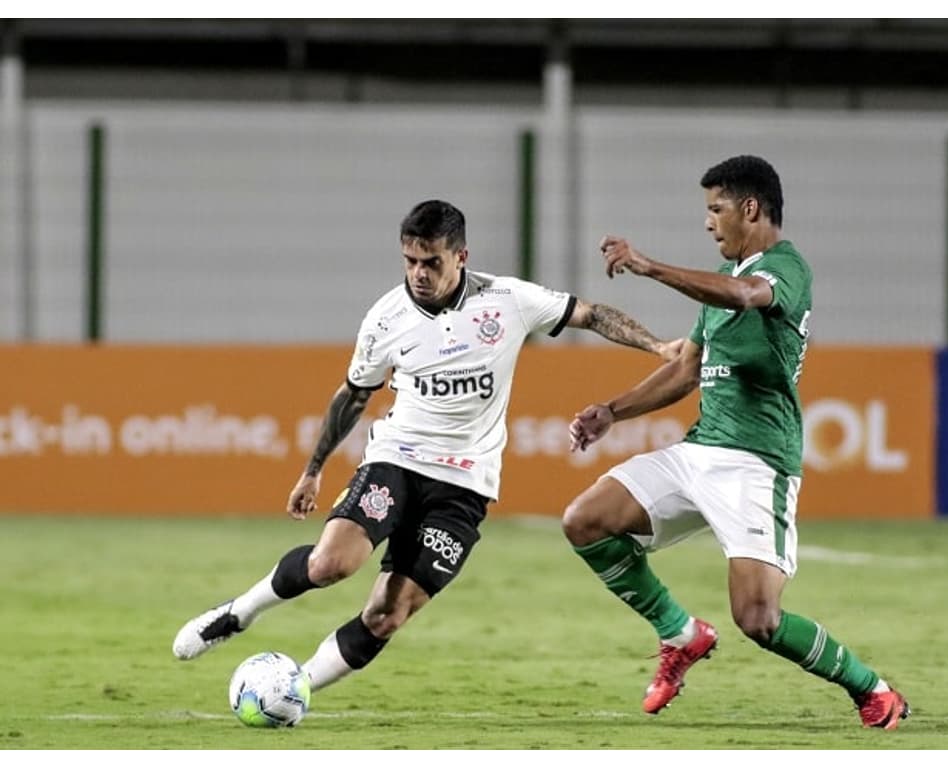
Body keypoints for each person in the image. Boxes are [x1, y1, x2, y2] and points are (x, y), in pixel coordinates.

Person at [172, 199, 683, 696]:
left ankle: (295, 690)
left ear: (460, 256)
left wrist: (659, 347)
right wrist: (313, 469)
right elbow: (355, 394)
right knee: (330, 565)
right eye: (410, 261)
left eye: (431, 262)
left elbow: (590, 314)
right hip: (397, 460)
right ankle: (239, 612)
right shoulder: (385, 318)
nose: (418, 273)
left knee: (386, 614)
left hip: (465, 487)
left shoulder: (506, 300)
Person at [561, 155, 910, 730]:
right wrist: (612, 412)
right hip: (698, 451)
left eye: (714, 208)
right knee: (584, 520)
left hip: (756, 462)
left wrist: (648, 267)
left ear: (750, 207)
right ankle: (681, 634)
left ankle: (872, 689)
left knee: (759, 619)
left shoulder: (785, 268)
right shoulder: (717, 291)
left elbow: (747, 295)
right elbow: (686, 370)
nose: (708, 222)